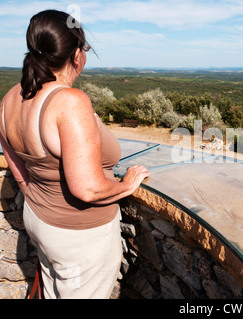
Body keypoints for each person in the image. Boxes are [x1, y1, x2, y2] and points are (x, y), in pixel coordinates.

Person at [0, 10, 150, 299]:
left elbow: (18, 169)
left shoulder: (12, 97)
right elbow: (89, 189)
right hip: (80, 235)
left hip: (40, 220)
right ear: (77, 55)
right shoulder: (70, 102)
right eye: (86, 49)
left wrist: (38, 201)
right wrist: (126, 185)